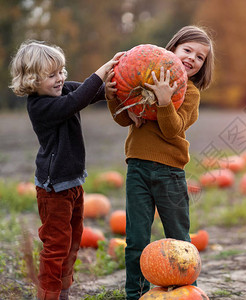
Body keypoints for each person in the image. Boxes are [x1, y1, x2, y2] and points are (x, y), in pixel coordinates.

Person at [105, 25, 215, 299]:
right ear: (173, 49)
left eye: (200, 57)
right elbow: (122, 118)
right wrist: (111, 96)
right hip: (138, 170)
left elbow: (173, 129)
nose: (192, 58)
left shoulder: (190, 93)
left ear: (203, 66)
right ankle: (136, 294)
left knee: (179, 237)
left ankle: (187, 291)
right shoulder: (144, 77)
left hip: (171, 173)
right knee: (135, 240)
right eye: (187, 50)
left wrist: (165, 102)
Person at [9, 40, 123, 300]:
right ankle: (48, 294)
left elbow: (86, 92)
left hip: (72, 184)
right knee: (56, 246)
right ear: (32, 80)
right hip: (53, 191)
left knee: (74, 240)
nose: (60, 78)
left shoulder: (60, 93)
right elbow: (77, 100)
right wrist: (103, 70)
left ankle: (63, 291)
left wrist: (109, 89)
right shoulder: (40, 107)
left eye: (61, 71)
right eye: (51, 75)